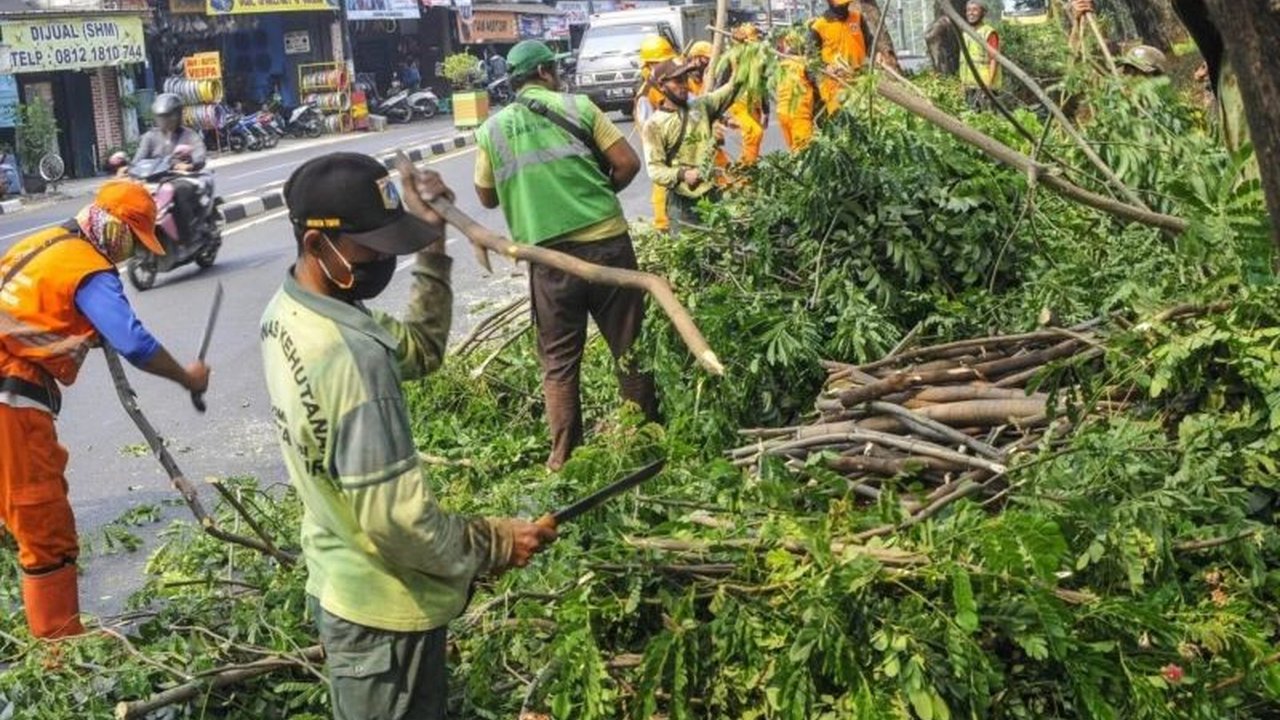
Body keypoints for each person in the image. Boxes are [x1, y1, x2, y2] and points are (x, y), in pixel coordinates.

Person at [261, 152, 556, 720]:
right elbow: (399, 523)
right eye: (371, 247)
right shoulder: (354, 362)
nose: (382, 260)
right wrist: (495, 542)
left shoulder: (294, 310)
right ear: (317, 243)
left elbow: (420, 349)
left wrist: (432, 241)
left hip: (342, 577)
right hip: (383, 614)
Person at [0, 181, 211, 639]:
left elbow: (33, 310)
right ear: (116, 230)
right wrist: (187, 377)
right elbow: (134, 343)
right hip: (10, 400)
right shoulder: (89, 267)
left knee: (12, 516)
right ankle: (59, 651)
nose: (134, 252)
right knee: (45, 530)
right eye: (135, 241)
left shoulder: (41, 243)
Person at [473, 41, 657, 471]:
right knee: (629, 347)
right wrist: (595, 193)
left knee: (558, 362)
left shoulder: (493, 130)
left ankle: (565, 456)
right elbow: (627, 164)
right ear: (544, 73)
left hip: (549, 260)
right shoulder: (580, 108)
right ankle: (644, 439)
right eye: (554, 69)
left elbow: (485, 197)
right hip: (607, 246)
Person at [641, 58, 743, 231]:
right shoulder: (655, 125)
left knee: (720, 243)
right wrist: (683, 174)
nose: (684, 85)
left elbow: (734, 87)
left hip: (712, 195)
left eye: (684, 79)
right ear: (662, 86)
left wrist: (741, 56)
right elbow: (655, 169)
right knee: (688, 245)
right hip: (683, 204)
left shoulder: (702, 106)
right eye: (677, 81)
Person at [132, 93, 210, 248]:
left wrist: (190, 164)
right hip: (155, 180)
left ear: (178, 115)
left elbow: (199, 154)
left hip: (181, 177)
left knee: (179, 192)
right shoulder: (150, 137)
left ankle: (188, 235)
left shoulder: (189, 135)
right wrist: (129, 169)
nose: (165, 120)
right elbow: (138, 158)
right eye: (161, 117)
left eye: (169, 116)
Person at [637, 34, 679, 231]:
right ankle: (663, 225)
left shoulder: (665, 84)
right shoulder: (645, 95)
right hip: (661, 146)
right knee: (663, 182)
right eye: (663, 62)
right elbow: (648, 126)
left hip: (675, 141)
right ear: (650, 65)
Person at [809, 0, 871, 118]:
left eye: (846, 3)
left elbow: (869, 42)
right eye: (842, 4)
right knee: (843, 120)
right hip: (835, 85)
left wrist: (877, 54)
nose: (845, 6)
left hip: (860, 80)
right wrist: (826, 67)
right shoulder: (819, 26)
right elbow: (811, 59)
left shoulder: (857, 18)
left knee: (865, 117)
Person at [725, 24, 766, 165]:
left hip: (755, 104)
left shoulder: (759, 59)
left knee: (753, 140)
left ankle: (747, 166)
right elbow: (721, 82)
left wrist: (766, 110)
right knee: (754, 133)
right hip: (739, 104)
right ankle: (747, 169)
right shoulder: (733, 57)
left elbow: (762, 84)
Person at [776, 30, 816, 152]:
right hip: (799, 113)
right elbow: (817, 83)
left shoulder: (782, 65)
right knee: (803, 153)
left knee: (794, 151)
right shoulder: (804, 64)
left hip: (782, 112)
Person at [958, 0, 1000, 110]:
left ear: (983, 13)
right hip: (968, 87)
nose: (970, 13)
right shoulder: (965, 33)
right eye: (968, 10)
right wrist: (962, 84)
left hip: (984, 86)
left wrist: (988, 86)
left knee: (985, 117)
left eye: (975, 10)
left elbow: (994, 59)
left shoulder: (989, 33)